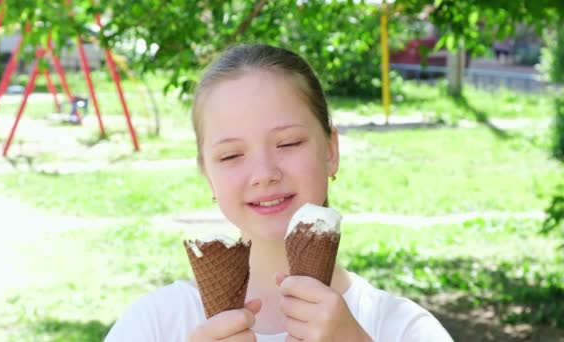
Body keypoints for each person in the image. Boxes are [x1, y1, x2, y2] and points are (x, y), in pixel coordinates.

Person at [105, 43, 453, 341]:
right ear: (207, 174)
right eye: (231, 155)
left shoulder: (404, 328)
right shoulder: (153, 325)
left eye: (288, 143)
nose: (264, 174)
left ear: (330, 151)